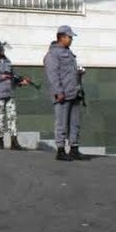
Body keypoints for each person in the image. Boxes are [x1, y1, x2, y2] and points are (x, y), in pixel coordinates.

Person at [44, 25, 87, 161]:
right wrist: (58, 91)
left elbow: (68, 72)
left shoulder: (68, 52)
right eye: (69, 37)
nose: (71, 39)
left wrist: (78, 73)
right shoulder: (53, 54)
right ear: (62, 37)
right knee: (61, 123)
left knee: (75, 123)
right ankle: (61, 149)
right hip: (62, 94)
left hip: (74, 92)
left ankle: (74, 148)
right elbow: (53, 75)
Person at [0, 40, 30, 151]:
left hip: (9, 92)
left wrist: (20, 83)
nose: (3, 50)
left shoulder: (7, 60)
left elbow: (11, 75)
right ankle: (0, 140)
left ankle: (14, 141)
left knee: (13, 116)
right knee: (0, 117)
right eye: (1, 49)